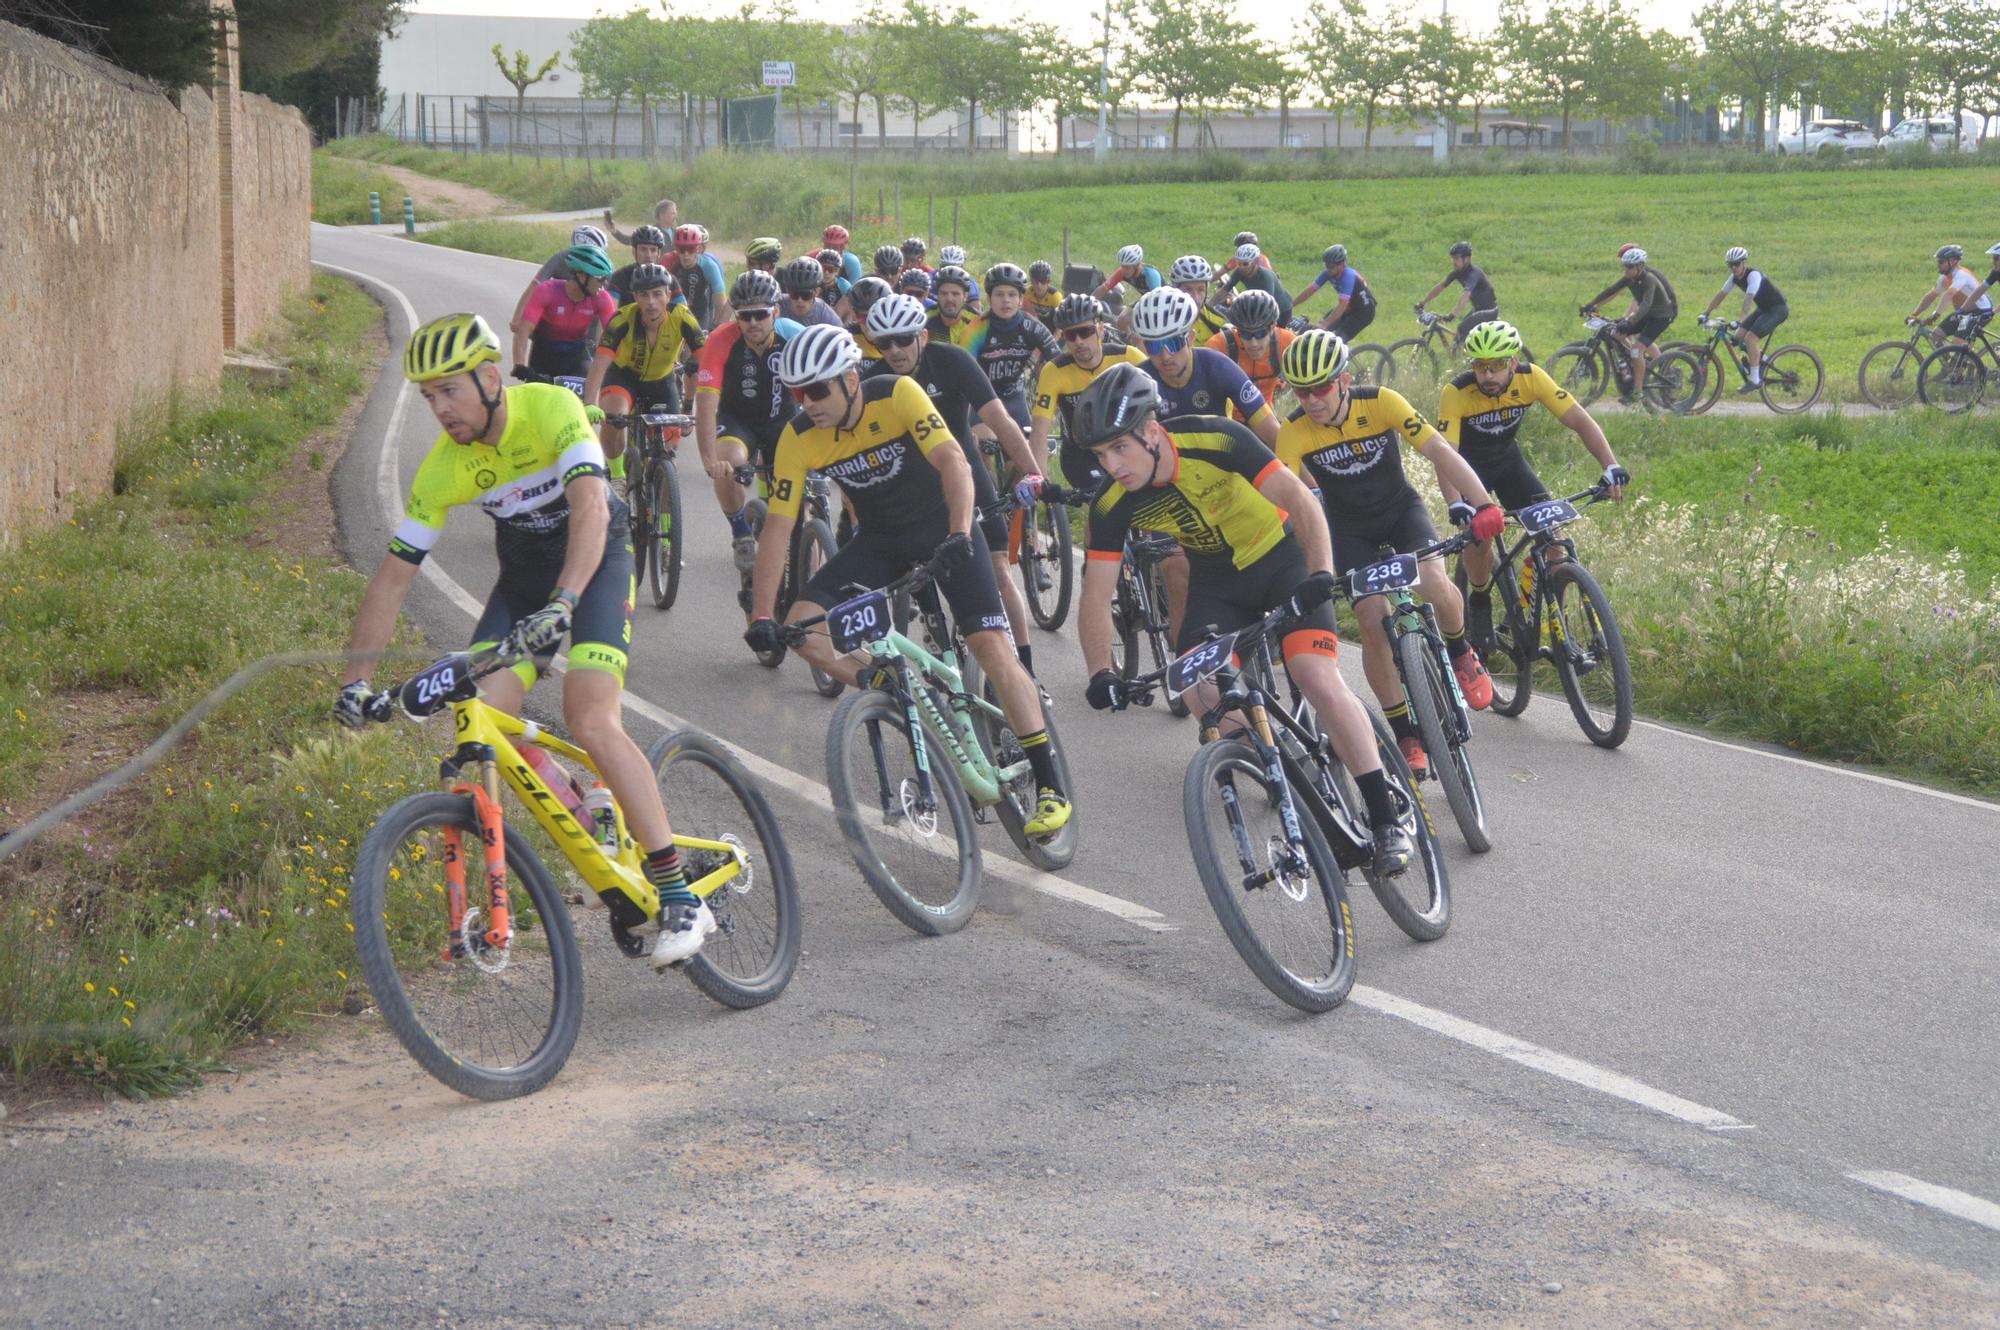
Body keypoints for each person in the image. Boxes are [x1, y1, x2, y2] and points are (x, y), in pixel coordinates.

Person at [337, 313, 714, 964]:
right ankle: (582, 800)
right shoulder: (444, 469)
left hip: (594, 566)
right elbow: (394, 578)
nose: (439, 409)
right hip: (521, 585)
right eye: (428, 397)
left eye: (448, 391)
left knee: (592, 717)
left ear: (490, 378)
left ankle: (679, 891)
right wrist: (355, 685)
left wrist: (566, 601)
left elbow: (591, 509)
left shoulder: (552, 409)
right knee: (485, 717)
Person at [1070, 363, 1412, 872]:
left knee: (1314, 675)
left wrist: (1320, 570)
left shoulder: (1218, 440)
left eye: (1120, 448)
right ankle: (1280, 772)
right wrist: (1101, 673)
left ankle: (1386, 820)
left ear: (1151, 430)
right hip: (1218, 582)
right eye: (1101, 454)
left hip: (1282, 558)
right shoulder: (1113, 504)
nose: (1112, 464)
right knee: (1199, 690)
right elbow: (1095, 596)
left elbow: (1300, 501)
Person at [745, 325, 1072, 835]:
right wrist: (761, 615)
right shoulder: (799, 437)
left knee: (991, 647)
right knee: (804, 629)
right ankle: (894, 688)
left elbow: (954, 462)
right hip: (880, 543)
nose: (806, 403)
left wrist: (962, 533)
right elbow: (779, 528)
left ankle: (1050, 784)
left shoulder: (897, 394)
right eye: (796, 393)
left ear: (852, 378)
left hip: (945, 529)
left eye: (816, 390)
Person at [1274, 330, 1504, 776]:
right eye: (1301, 391)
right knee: (1371, 619)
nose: (1312, 400)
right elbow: (1286, 502)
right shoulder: (1294, 430)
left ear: (1342, 380)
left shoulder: (1380, 401)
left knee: (1435, 583)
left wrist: (1483, 502)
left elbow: (1439, 449)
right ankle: (1405, 733)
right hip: (1348, 531)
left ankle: (1461, 654)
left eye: (1320, 387)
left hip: (1401, 512)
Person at [862, 294, 1045, 669]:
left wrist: (1032, 472)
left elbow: (999, 419)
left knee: (998, 568)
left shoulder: (952, 361)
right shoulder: (873, 382)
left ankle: (1026, 668)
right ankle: (930, 629)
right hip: (912, 489)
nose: (894, 350)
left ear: (923, 337)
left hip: (966, 471)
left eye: (903, 339)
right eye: (884, 343)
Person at [1434, 320, 1628, 648]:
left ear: (1513, 362)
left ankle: (1550, 617)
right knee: (1478, 538)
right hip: (1467, 470)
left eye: (1496, 367)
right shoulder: (1456, 392)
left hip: (1509, 465)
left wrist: (1610, 464)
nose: (1488, 376)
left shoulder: (1531, 378)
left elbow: (1579, 419)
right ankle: (1479, 599)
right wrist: (1457, 503)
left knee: (1555, 540)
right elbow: (1444, 454)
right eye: (1481, 367)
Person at [693, 271, 800, 602]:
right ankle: (740, 530)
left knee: (803, 504)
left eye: (761, 314)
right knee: (730, 461)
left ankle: (805, 577)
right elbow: (707, 403)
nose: (753, 322)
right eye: (745, 315)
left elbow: (819, 392)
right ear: (736, 316)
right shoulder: (721, 340)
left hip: (782, 421)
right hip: (737, 421)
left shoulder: (795, 336)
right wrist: (710, 461)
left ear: (776, 312)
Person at [583, 263, 704, 476]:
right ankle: (618, 475)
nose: (651, 303)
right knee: (613, 420)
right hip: (623, 378)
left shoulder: (683, 317)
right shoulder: (622, 319)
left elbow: (706, 355)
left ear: (668, 295)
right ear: (635, 297)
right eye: (644, 295)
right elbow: (600, 362)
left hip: (661, 381)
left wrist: (696, 362)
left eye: (657, 294)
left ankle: (662, 492)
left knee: (668, 449)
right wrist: (590, 403)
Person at [1028, 293, 1146, 494]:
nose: (1079, 341)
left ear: (1100, 329)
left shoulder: (1128, 356)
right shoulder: (1054, 371)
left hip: (1125, 446)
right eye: (1070, 335)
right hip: (1080, 455)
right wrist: (1041, 478)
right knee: (1102, 498)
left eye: (1085, 331)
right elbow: (1040, 430)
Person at [1129, 286, 1278, 445]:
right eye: (1154, 346)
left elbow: (1272, 432)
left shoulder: (1218, 366)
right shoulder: (1138, 383)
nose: (1165, 356)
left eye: (1174, 343)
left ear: (1191, 338)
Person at [962, 263, 1060, 432]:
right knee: (985, 442)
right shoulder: (975, 330)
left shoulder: (1031, 326)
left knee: (1024, 455)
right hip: (984, 399)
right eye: (999, 294)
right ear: (990, 298)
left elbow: (1058, 360)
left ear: (1021, 300)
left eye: (1012, 295)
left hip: (1015, 397)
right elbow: (962, 373)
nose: (1006, 300)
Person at [511, 244, 618, 381]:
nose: (603, 284)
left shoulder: (602, 299)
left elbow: (613, 335)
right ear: (581, 275)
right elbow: (523, 330)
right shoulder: (547, 291)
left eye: (606, 279)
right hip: (543, 356)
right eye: (600, 279)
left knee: (584, 389)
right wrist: (519, 364)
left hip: (577, 358)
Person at [1583, 248, 1677, 402]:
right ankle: (1632, 365)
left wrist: (1630, 321)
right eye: (1624, 266)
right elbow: (1610, 291)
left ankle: (1637, 392)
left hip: (1660, 317)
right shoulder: (1629, 278)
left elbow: (1645, 305)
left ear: (1640, 267)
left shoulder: (1650, 280)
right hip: (1646, 316)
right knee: (1615, 333)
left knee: (1635, 351)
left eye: (1629, 267)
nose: (1626, 269)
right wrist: (1591, 305)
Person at [1698, 247, 1789, 390]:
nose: (1733, 268)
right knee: (1737, 338)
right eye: (1730, 265)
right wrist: (1706, 313)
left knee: (1751, 338)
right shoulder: (1734, 277)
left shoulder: (1754, 275)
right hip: (1763, 309)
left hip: (1777, 309)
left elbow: (1748, 299)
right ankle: (1762, 361)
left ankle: (1755, 380)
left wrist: (1740, 320)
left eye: (1737, 264)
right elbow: (1721, 294)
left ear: (1744, 263)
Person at [509, 224, 612, 334]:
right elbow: (534, 286)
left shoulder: (604, 268)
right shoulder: (559, 259)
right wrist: (517, 319)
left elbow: (605, 307)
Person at [1204, 289, 1296, 412]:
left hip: (1265, 417)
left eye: (1260, 334)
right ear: (1237, 330)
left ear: (1272, 327)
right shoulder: (1218, 347)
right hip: (1227, 421)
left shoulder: (1287, 342)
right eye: (1246, 334)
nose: (1253, 343)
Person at [1416, 242, 1499, 353]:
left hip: (1489, 311)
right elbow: (1440, 287)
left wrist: (1452, 315)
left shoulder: (1474, 274)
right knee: (1459, 337)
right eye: (1453, 258)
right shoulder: (1457, 273)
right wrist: (1422, 303)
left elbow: (1465, 297)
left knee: (1462, 329)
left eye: (1457, 259)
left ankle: (1464, 361)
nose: (1454, 262)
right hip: (1478, 309)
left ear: (1467, 259)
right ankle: (1462, 360)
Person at [1911, 243, 1994, 346]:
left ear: (1953, 262)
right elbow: (1931, 296)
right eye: (1938, 261)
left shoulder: (1961, 275)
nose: (1938, 264)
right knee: (1937, 335)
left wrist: (1936, 315)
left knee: (1958, 342)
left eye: (1941, 262)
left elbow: (1948, 295)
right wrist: (1914, 314)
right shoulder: (1944, 278)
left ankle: (1969, 361)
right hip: (1963, 312)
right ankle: (1952, 361)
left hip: (1980, 311)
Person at [1296, 245, 1377, 342]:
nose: (1328, 269)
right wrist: (1291, 304)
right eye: (1326, 265)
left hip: (1363, 313)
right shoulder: (1328, 273)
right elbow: (1310, 290)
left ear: (1342, 264)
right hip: (1348, 308)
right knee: (1318, 334)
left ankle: (1343, 356)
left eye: (1331, 266)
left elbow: (1342, 304)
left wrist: (1325, 324)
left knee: (1336, 340)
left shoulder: (1348, 276)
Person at [1215, 243, 1294, 327]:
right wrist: (1207, 306)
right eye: (1239, 263)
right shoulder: (1239, 271)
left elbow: (1267, 305)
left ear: (1255, 262)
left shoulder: (1266, 277)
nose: (1241, 267)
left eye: (1245, 264)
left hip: (1282, 309)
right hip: (1262, 302)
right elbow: (1224, 289)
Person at [607, 225, 677, 308]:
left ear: (659, 253)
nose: (648, 255)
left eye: (653, 250)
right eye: (643, 249)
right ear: (634, 251)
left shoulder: (670, 279)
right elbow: (610, 312)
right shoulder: (620, 277)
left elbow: (685, 313)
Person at [672, 224, 725, 330]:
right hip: (674, 313)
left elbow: (720, 302)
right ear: (676, 248)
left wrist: (716, 327)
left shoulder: (709, 266)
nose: (686, 254)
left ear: (698, 248)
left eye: (691, 249)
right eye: (682, 249)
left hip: (700, 315)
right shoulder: (669, 261)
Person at [1168, 255, 1231, 343]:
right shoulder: (1160, 318)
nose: (1195, 297)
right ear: (1175, 289)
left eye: (1200, 290)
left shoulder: (1219, 324)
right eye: (1188, 289)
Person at [1093, 244, 1164, 311]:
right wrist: (1089, 302)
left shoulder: (1151, 275)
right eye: (1122, 266)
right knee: (1123, 318)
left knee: (1127, 317)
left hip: (1161, 301)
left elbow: (1156, 300)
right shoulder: (1122, 272)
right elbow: (1103, 289)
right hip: (1147, 299)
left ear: (1137, 265)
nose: (1123, 270)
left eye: (1127, 267)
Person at [780, 256, 843, 328]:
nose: (800, 300)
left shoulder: (825, 315)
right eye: (795, 294)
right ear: (787, 290)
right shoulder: (777, 305)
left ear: (816, 292)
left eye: (806, 295)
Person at [842, 275, 895, 360]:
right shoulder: (846, 337)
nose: (870, 324)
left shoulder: (899, 340)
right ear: (855, 316)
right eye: (864, 318)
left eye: (877, 317)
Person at [928, 266, 980, 345]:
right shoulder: (926, 319)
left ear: (965, 296)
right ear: (937, 295)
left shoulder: (978, 323)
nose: (949, 299)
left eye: (955, 294)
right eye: (944, 293)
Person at [605, 198, 676, 247]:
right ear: (662, 215)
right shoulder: (650, 232)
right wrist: (614, 231)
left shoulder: (678, 233)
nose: (676, 216)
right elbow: (628, 240)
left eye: (675, 213)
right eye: (673, 213)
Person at [1026, 261, 1062, 325]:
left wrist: (1056, 335)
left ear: (1049, 282)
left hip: (1051, 326)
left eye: (1043, 281)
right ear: (1031, 281)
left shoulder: (1055, 297)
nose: (1039, 286)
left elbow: (1062, 320)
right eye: (1036, 281)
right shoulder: (1027, 293)